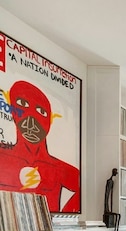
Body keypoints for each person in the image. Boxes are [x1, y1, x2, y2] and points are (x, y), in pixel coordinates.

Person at [0, 80, 80, 212]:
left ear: (49, 121)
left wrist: (63, 217)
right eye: (23, 104)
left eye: (41, 112)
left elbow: (83, 184)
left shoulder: (57, 168)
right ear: (13, 110)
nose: (31, 122)